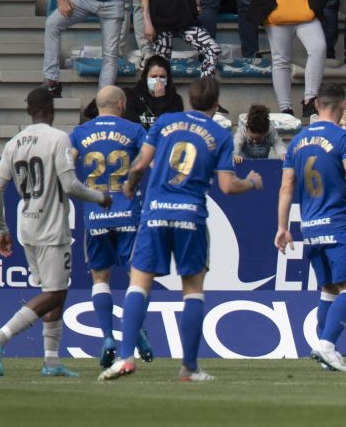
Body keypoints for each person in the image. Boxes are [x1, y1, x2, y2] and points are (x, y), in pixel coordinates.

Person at [98, 77, 264, 382]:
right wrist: (252, 182)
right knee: (192, 290)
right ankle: (188, 367)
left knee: (139, 284)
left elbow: (138, 165)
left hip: (155, 213)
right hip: (191, 216)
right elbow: (227, 186)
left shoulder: (164, 122)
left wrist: (131, 188)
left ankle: (124, 357)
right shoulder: (219, 133)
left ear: (190, 99)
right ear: (215, 104)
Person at [0, 87, 113, 377]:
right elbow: (70, 186)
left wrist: (2, 229)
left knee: (55, 291)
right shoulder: (58, 138)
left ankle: (51, 361)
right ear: (51, 108)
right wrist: (100, 197)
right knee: (54, 294)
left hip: (26, 227)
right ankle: (0, 336)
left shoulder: (13, 143)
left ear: (29, 109)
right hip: (53, 228)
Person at [275, 84, 346, 371]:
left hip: (310, 229)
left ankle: (325, 355)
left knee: (328, 290)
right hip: (337, 224)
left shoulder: (296, 142)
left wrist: (283, 227)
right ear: (343, 105)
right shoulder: (344, 138)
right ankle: (327, 344)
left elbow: (286, 186)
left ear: (316, 105)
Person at [69, 86, 153, 369]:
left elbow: (67, 165)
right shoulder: (134, 130)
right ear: (121, 103)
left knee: (100, 279)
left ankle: (107, 338)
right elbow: (146, 159)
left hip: (95, 215)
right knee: (138, 280)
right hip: (129, 214)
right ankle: (136, 330)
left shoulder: (80, 133)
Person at [81, 54, 183, 129]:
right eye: (154, 76)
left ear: (168, 78)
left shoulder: (175, 100)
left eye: (162, 77)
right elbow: (90, 111)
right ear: (145, 77)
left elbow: (166, 128)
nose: (158, 80)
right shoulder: (131, 95)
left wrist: (161, 100)